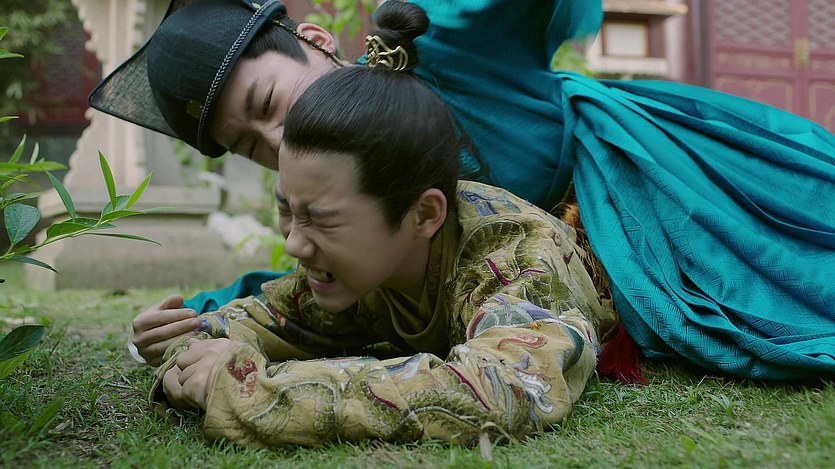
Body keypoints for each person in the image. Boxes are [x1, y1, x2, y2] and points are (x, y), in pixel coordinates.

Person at [92, 0, 835, 380]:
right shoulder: (340, 186)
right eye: (254, 145)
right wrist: (201, 316)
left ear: (316, 41)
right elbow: (349, 266)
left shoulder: (431, 35)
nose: (280, 140)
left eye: (269, 103)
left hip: (653, 188)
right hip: (554, 293)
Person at [152, 8, 618, 446]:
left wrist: (250, 388)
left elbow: (504, 388)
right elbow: (259, 319)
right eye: (288, 212)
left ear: (425, 215)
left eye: (322, 219)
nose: (293, 244)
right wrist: (191, 349)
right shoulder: (364, 258)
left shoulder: (510, 257)